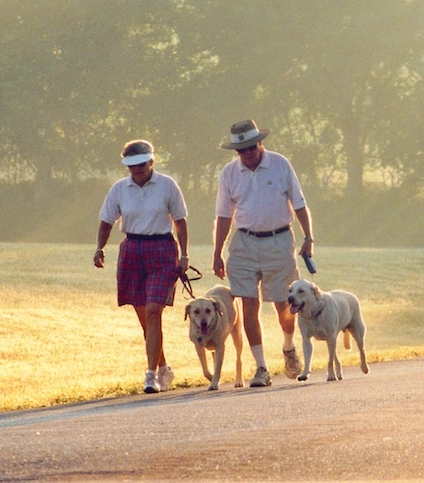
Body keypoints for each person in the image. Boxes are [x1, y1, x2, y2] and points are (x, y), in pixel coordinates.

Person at [213, 119, 314, 387]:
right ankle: (261, 368)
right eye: (242, 150)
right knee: (248, 304)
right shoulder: (229, 173)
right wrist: (217, 252)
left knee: (284, 303)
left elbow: (300, 203)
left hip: (279, 240)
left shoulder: (280, 164)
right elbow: (224, 215)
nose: (248, 154)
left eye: (251, 148)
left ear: (261, 144)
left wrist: (308, 237)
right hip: (244, 242)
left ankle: (289, 345)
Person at [94, 139, 190, 394]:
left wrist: (184, 255)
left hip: (161, 248)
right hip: (132, 249)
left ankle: (151, 376)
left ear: (151, 161)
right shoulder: (119, 189)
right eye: (131, 165)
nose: (136, 169)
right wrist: (100, 248)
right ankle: (164, 367)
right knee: (144, 317)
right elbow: (107, 221)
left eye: (141, 164)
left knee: (153, 311)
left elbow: (180, 221)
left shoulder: (167, 185)